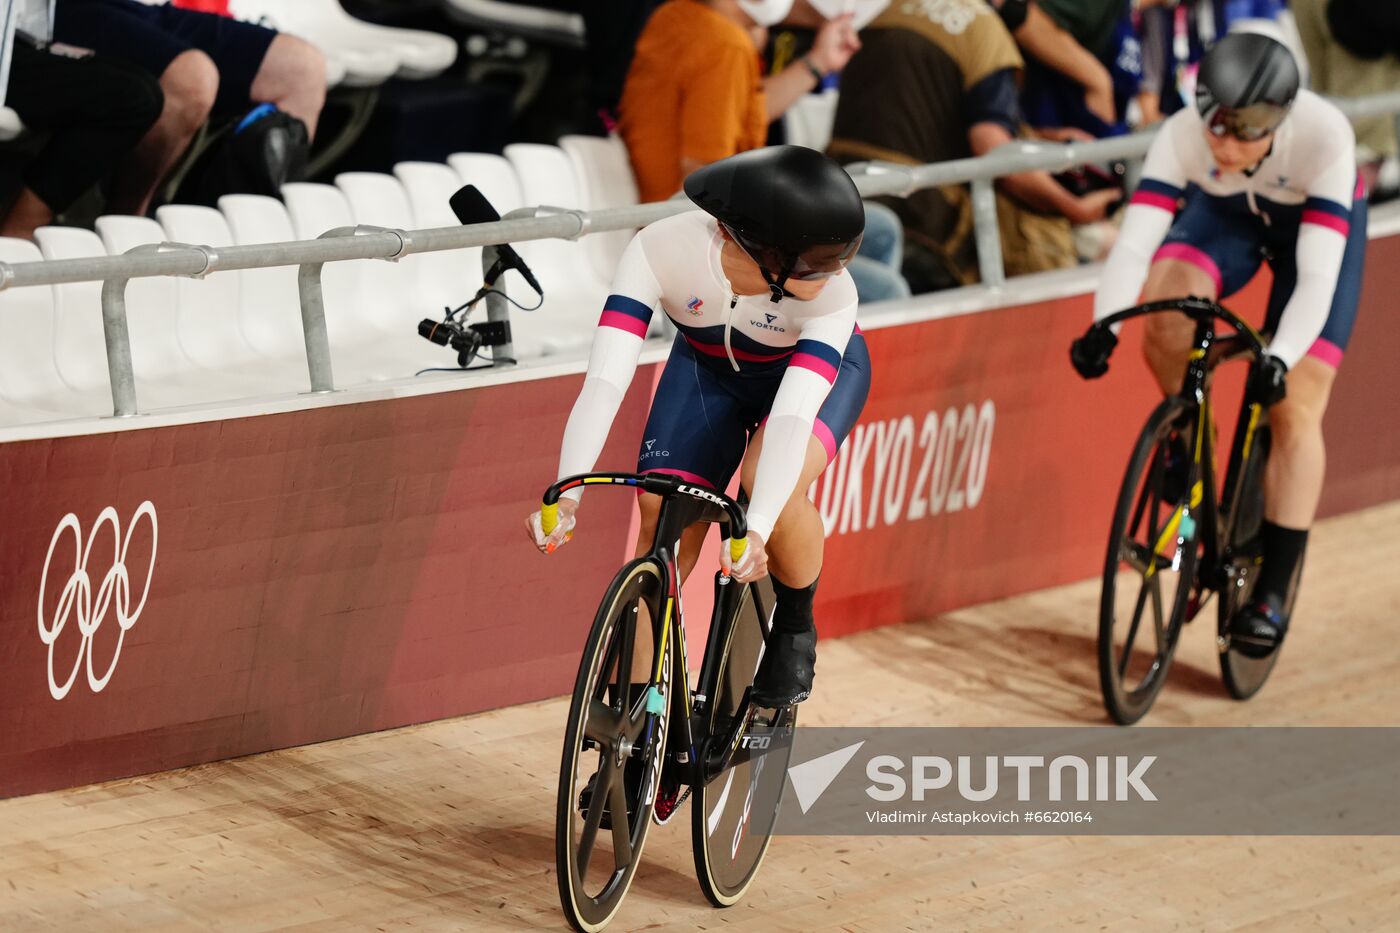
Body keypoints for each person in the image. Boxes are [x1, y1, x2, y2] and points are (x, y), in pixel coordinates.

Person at [527, 145, 871, 709]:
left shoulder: (835, 295)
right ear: (760, 247)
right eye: (816, 262)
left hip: (815, 375)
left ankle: (795, 623)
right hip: (708, 370)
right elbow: (606, 381)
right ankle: (634, 724)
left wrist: (755, 530)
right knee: (659, 519)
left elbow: (789, 417)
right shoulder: (661, 248)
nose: (834, 273)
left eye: (842, 257)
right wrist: (568, 491)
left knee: (769, 487)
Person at [1072, 32, 1367, 658]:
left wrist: (1281, 358)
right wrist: (1107, 326)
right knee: (1168, 306)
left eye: (1244, 133)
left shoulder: (1325, 137)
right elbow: (1133, 247)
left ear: (1279, 121)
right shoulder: (1184, 134)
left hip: (1311, 228)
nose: (1225, 144)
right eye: (1216, 129)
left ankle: (1274, 592)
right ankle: (1183, 445)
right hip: (1227, 213)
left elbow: (1315, 277)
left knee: (1299, 403)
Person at [615, 0, 909, 305]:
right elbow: (702, 183)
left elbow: (744, 113)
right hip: (700, 235)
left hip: (684, 217)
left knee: (879, 227)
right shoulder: (725, 44)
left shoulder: (677, 15)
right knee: (888, 288)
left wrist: (819, 61)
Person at [829, 0, 1118, 292]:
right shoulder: (982, 29)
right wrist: (1074, 208)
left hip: (845, 202)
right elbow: (993, 151)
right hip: (928, 228)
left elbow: (913, 113)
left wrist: (1037, 138)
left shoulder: (881, 9)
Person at [51, 0, 326, 215]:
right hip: (54, 11)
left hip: (143, 8)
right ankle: (127, 227)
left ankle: (238, 245)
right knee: (192, 78)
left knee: (302, 70)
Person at [0, 4, 164, 237]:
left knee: (146, 92)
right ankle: (15, 235)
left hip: (24, 29)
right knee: (134, 98)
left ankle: (123, 235)